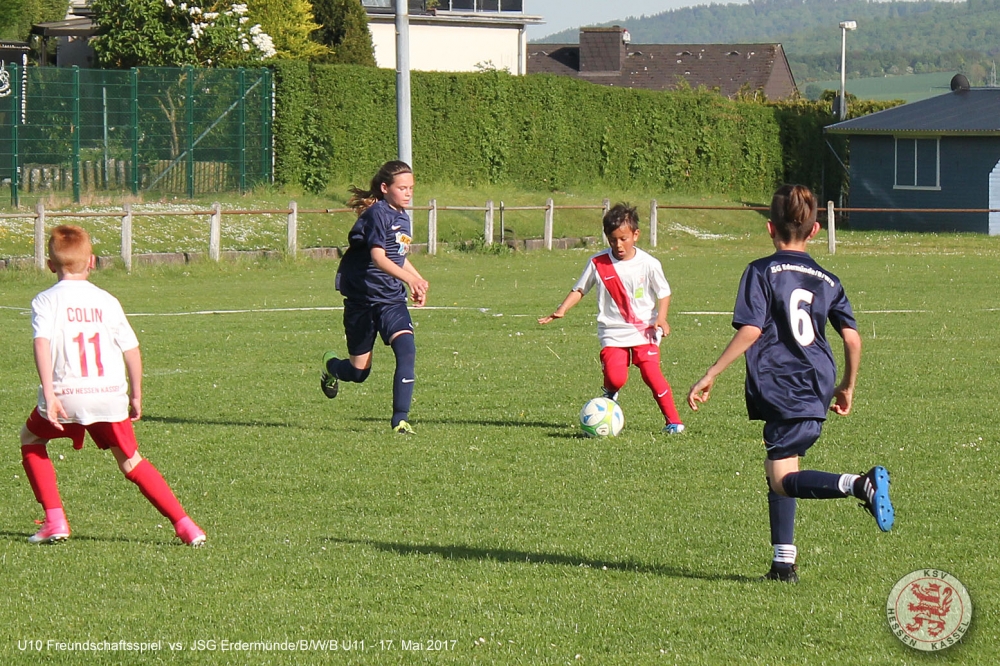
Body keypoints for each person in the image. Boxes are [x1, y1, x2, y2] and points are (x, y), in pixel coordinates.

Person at [687, 184, 893, 583]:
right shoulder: (828, 279)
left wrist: (711, 373)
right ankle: (783, 565)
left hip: (782, 381)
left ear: (770, 228)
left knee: (782, 480)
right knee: (778, 467)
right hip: (818, 380)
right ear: (815, 230)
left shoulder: (760, 271)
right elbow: (852, 338)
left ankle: (859, 484)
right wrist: (847, 386)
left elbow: (751, 329)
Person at [20, 225, 206, 546]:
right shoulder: (107, 301)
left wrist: (49, 393)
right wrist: (136, 394)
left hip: (66, 396)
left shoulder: (45, 301)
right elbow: (131, 349)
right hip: (109, 396)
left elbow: (42, 343)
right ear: (92, 261)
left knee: (30, 439)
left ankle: (55, 520)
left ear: (50, 265)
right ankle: (185, 525)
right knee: (132, 462)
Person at [539, 202, 685, 434]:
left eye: (623, 239)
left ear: (635, 235)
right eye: (613, 239)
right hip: (612, 330)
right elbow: (580, 289)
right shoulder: (598, 263)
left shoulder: (649, 263)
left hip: (644, 329)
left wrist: (662, 318)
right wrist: (562, 309)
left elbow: (664, 293)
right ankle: (610, 391)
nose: (618, 245)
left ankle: (674, 422)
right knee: (616, 378)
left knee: (652, 375)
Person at [320, 160, 429, 435]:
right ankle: (331, 367)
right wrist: (411, 280)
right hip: (362, 300)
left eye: (411, 188)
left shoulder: (403, 218)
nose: (408, 193)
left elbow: (397, 257)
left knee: (407, 350)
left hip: (391, 299)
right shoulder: (377, 215)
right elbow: (378, 258)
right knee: (358, 372)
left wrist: (417, 279)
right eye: (402, 188)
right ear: (384, 188)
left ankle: (400, 420)